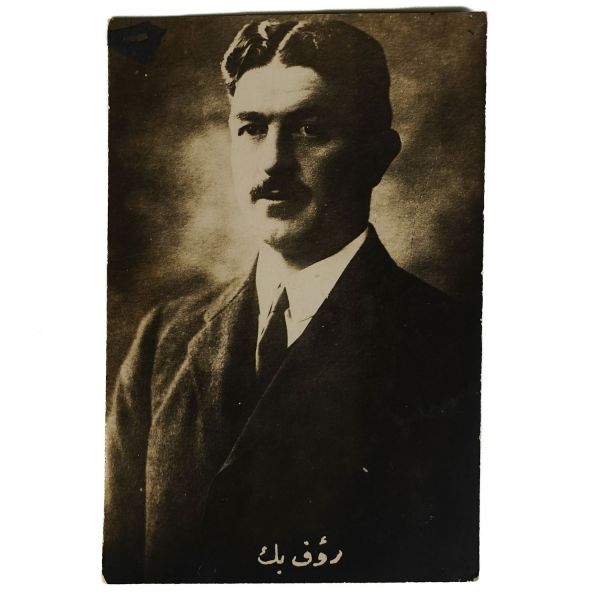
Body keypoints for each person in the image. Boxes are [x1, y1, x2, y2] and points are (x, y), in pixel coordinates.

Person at [103, 18, 481, 584]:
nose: (272, 162)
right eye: (251, 128)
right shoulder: (163, 341)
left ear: (378, 156)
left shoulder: (457, 353)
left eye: (310, 129)